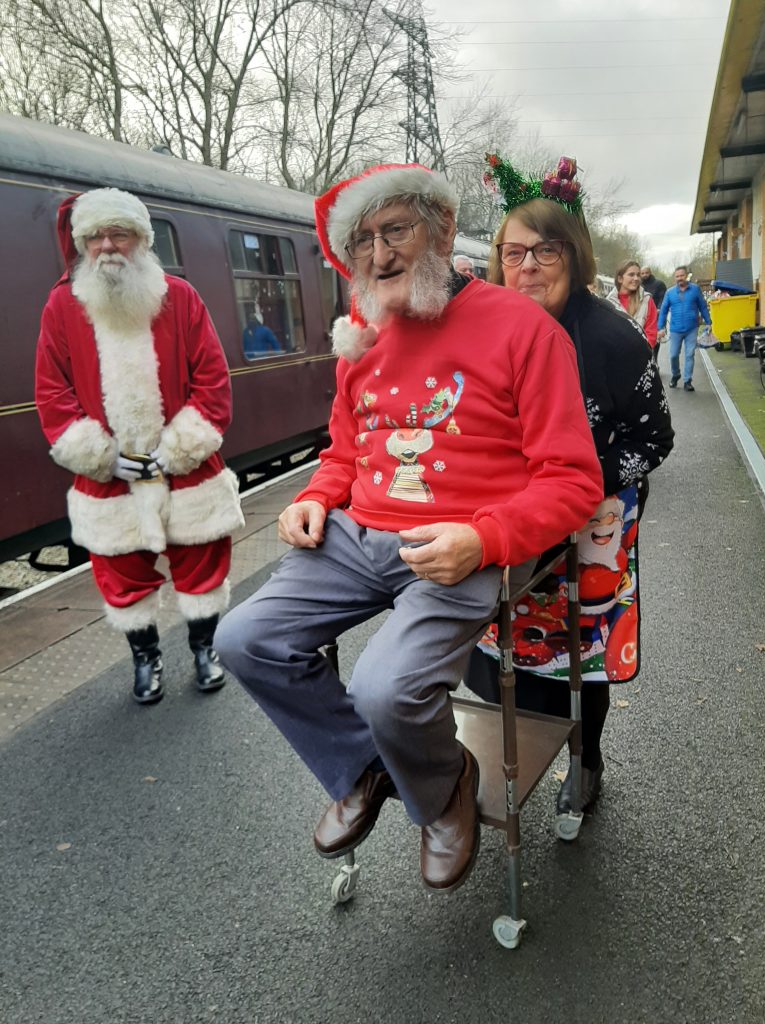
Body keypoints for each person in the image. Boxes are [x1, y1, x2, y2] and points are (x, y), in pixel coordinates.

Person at [214, 163, 604, 893]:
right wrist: (316, 495)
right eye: (362, 241)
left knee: (385, 689)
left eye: (395, 229)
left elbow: (574, 480)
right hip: (356, 533)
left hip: (459, 543)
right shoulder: (364, 335)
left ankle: (443, 786)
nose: (380, 254)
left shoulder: (525, 328)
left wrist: (483, 541)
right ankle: (363, 765)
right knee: (243, 639)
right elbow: (342, 448)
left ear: (445, 229)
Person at [469, 153, 674, 819]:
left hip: (589, 524)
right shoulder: (482, 330)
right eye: (513, 252)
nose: (525, 267)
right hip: (507, 522)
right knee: (502, 654)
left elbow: (654, 441)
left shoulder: (615, 341)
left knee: (577, 663)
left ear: (576, 257)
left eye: (545, 252)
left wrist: (585, 482)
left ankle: (585, 763)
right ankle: (513, 755)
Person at [35, 188, 244, 705]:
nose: (107, 246)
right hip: (108, 478)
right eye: (94, 236)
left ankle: (204, 648)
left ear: (142, 241)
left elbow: (213, 382)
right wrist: (102, 459)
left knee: (202, 564)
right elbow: (51, 391)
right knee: (120, 575)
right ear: (81, 244)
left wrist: (176, 452)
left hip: (185, 469)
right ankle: (145, 657)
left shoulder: (182, 298)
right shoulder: (62, 306)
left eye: (119, 233)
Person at [657, 265, 712, 391]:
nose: (679, 278)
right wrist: (661, 327)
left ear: (686, 275)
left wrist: (708, 322)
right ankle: (676, 375)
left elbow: (703, 306)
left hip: (691, 329)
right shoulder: (670, 292)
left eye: (682, 275)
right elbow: (664, 311)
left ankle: (688, 381)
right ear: (674, 277)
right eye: (677, 276)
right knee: (673, 355)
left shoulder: (695, 290)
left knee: (689, 354)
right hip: (675, 330)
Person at [606, 260, 658, 357]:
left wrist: (641, 353)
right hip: (615, 358)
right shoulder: (608, 302)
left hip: (639, 358)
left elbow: (651, 333)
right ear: (620, 278)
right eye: (631, 274)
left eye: (638, 275)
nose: (636, 278)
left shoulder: (647, 300)